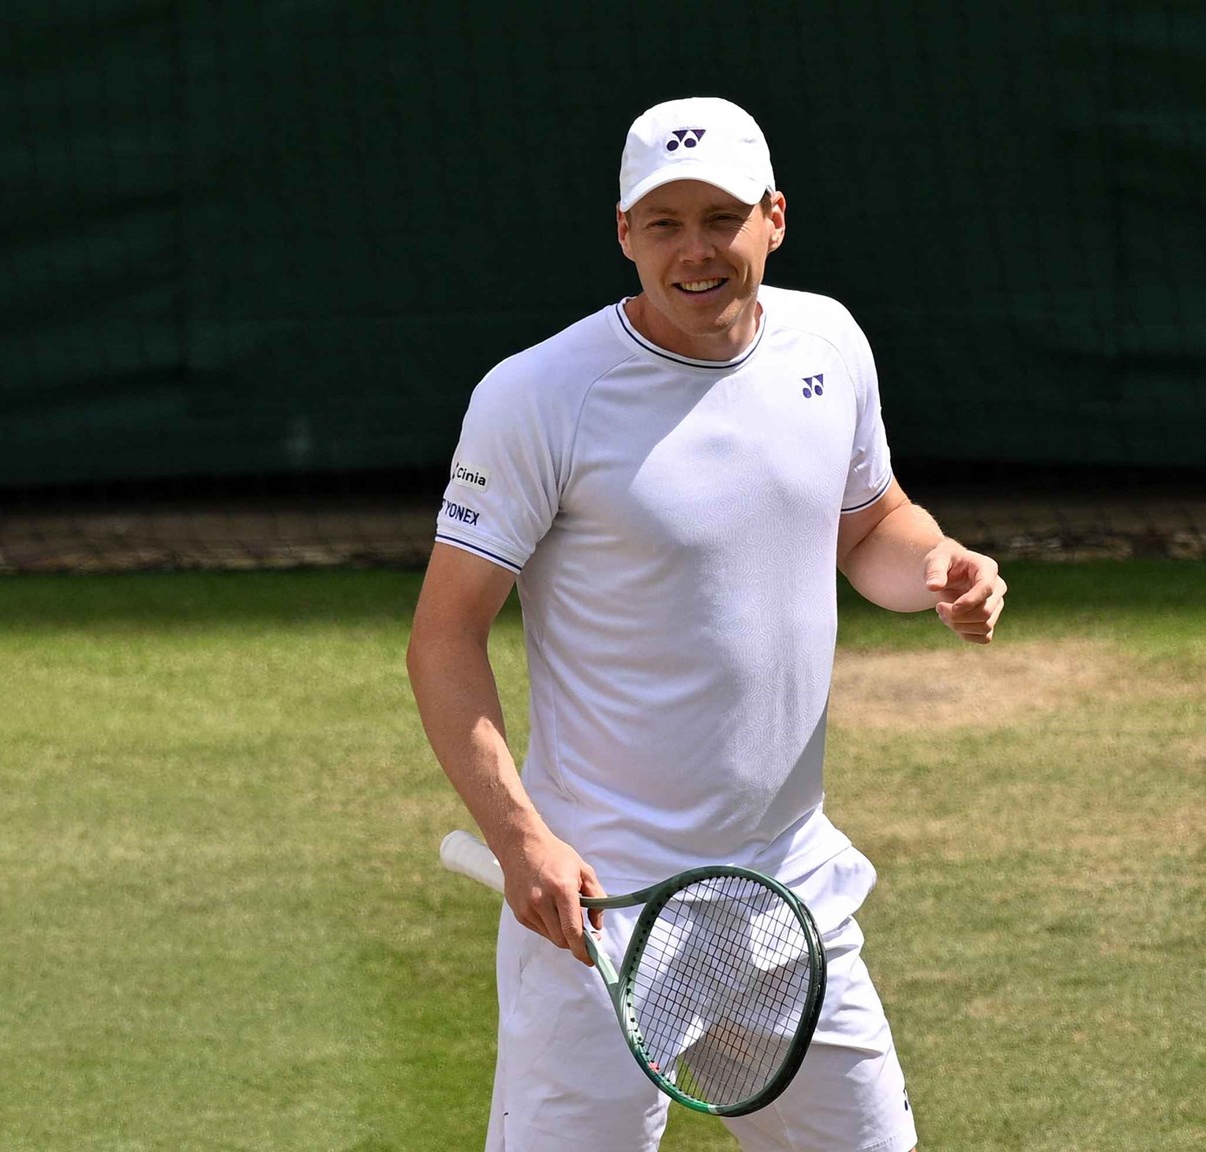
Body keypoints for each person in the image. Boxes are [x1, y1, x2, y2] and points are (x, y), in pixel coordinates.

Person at [406, 96, 1006, 1152]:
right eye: (663, 222)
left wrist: (937, 565)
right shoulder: (538, 396)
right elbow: (443, 637)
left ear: (773, 217)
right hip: (599, 919)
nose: (695, 250)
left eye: (720, 217)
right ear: (622, 233)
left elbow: (867, 522)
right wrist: (521, 839)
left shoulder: (828, 343)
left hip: (788, 899)